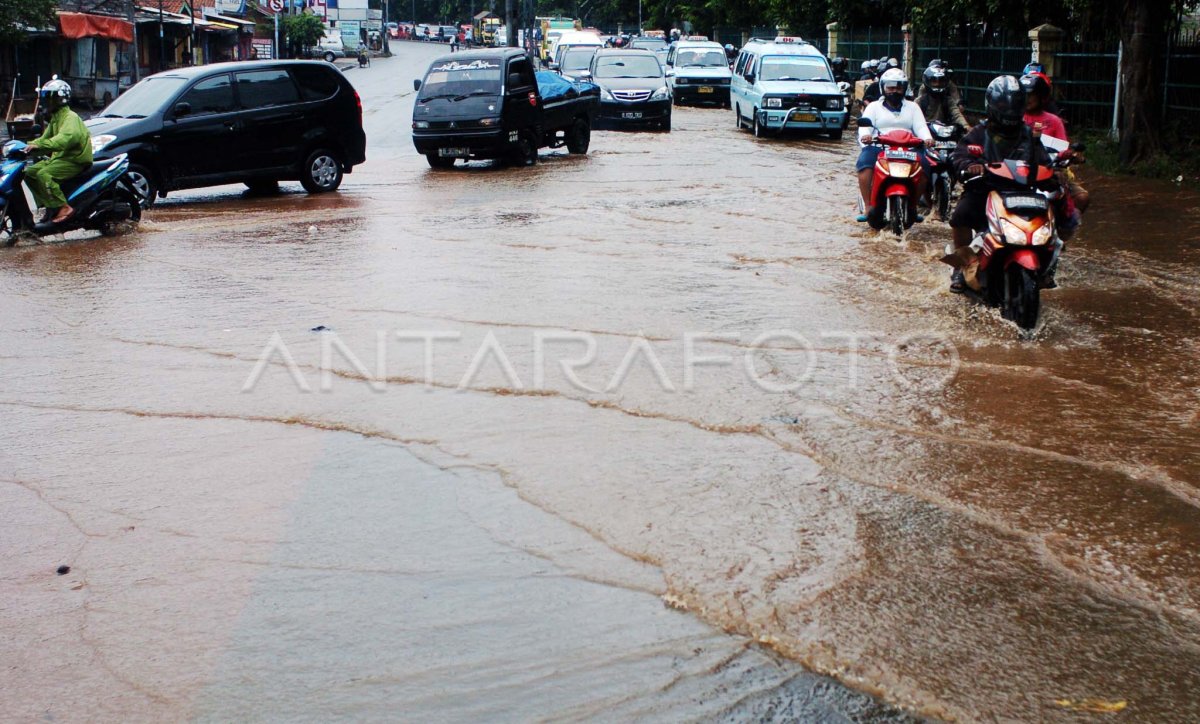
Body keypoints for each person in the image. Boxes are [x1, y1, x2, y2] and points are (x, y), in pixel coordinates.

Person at [947, 75, 1061, 292]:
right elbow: (959, 155)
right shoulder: (979, 132)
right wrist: (969, 166)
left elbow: (1043, 160)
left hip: (1023, 194)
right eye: (1003, 104)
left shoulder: (1029, 134)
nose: (1008, 109)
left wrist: (1051, 175)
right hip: (985, 190)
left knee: (1053, 220)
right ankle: (961, 267)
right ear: (992, 105)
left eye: (1014, 104)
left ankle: (1047, 269)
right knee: (960, 216)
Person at [856, 68, 934, 223]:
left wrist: (927, 138)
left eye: (899, 87)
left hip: (909, 148)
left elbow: (921, 127)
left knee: (925, 167)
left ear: (904, 89)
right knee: (864, 164)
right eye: (890, 87)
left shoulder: (913, 107)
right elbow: (865, 126)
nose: (895, 91)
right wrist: (866, 136)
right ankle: (868, 206)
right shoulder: (873, 107)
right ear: (883, 88)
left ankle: (912, 206)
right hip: (879, 146)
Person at [24, 78, 92, 225]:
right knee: (29, 173)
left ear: (60, 99)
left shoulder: (70, 117)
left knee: (44, 174)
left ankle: (63, 207)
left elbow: (65, 138)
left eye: (49, 98)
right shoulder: (56, 118)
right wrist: (26, 146)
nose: (46, 102)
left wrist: (41, 145)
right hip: (60, 158)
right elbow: (44, 138)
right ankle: (49, 206)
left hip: (74, 160)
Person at [915, 60, 971, 133]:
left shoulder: (948, 100)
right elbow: (913, 116)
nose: (937, 84)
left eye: (941, 81)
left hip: (945, 131)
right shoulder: (920, 101)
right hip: (925, 133)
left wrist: (966, 126)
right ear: (927, 81)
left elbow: (956, 114)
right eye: (934, 81)